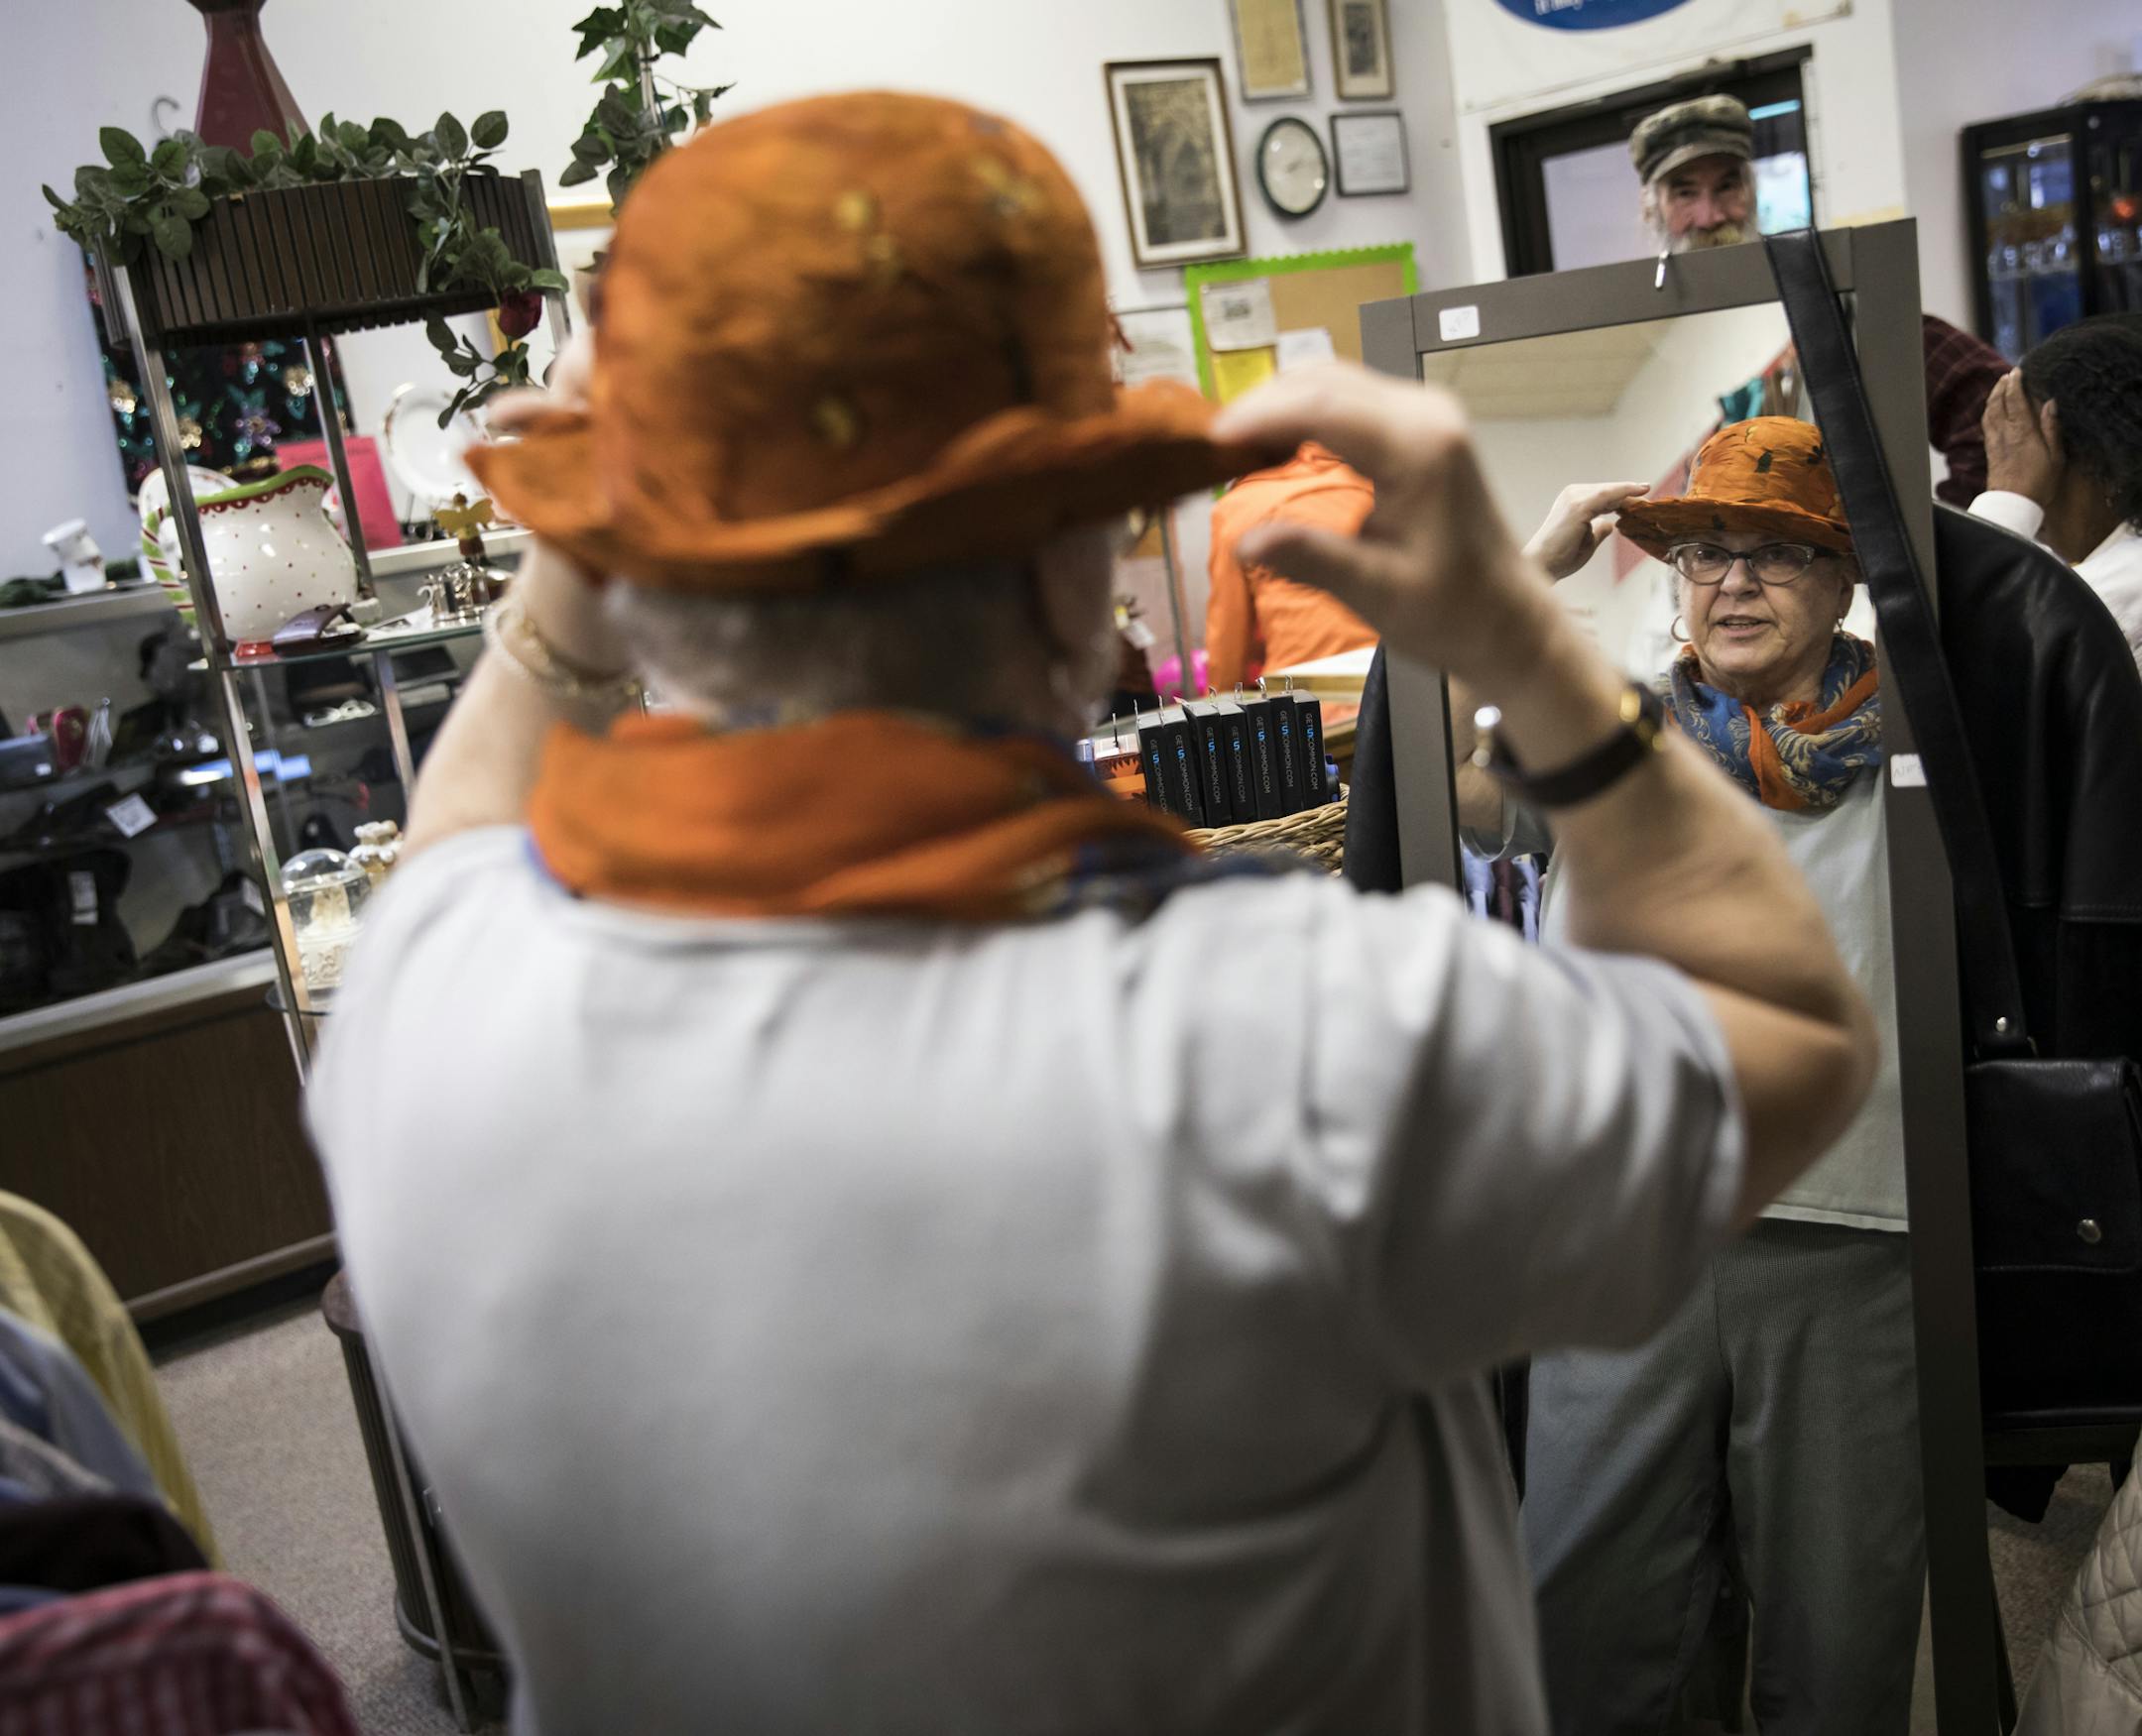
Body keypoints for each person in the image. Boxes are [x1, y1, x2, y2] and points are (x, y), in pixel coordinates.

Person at [306, 93, 1876, 1734]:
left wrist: (593, 541)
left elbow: (462, 830)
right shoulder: (1289, 1038)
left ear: (630, 561)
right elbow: (1791, 1037)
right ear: (1076, 569)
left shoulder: (439, 1003)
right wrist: (1525, 642)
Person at [1476, 421, 1919, 1735]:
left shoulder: (1927, 731)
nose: (1732, 583)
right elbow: (1430, 765)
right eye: (1708, 553)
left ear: (1849, 580)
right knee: (1588, 1622)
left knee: (1837, 1640)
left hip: (1851, 1235)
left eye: (1780, 555)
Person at [1632, 92, 2009, 507]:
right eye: (1685, 194)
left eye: (1727, 186)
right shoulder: (1639, 323)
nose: (1711, 216)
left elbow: (1996, 408)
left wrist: (1943, 546)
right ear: (1651, 211)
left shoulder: (1828, 302)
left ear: (1752, 192)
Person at [1971, 313, 2142, 671]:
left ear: (2093, 458)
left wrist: (2008, 494)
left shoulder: (2108, 593)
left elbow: (1957, 660)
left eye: (2024, 452)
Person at [1204, 442, 1376, 692]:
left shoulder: (1237, 508)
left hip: (1303, 699)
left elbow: (1228, 645)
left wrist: (1216, 714)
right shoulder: (1364, 484)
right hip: (1388, 685)